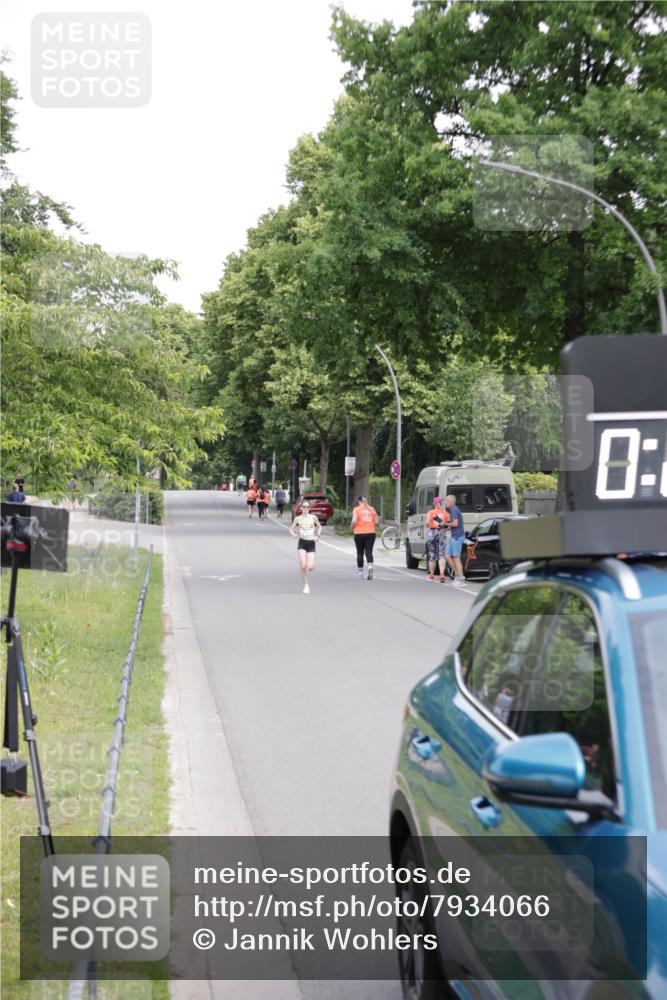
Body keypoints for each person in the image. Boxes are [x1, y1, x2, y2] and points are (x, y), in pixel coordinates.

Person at [289, 500, 321, 594]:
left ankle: (309, 566)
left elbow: (319, 527)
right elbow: (291, 529)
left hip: (311, 543)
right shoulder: (298, 518)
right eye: (304, 507)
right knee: (303, 566)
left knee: (310, 567)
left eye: (307, 507)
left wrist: (317, 536)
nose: (306, 509)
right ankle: (306, 586)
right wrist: (294, 534)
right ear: (301, 508)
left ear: (309, 508)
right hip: (302, 542)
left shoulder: (313, 517)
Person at [351, 495, 378, 580]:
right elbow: (376, 521)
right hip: (371, 533)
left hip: (359, 533)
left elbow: (354, 520)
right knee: (369, 552)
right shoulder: (372, 509)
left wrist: (352, 526)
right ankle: (370, 567)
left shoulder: (357, 509)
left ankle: (360, 573)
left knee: (360, 553)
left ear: (359, 501)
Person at [425, 496, 450, 582]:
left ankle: (431, 575)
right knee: (441, 555)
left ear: (434, 503)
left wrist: (428, 524)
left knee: (432, 555)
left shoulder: (430, 512)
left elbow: (427, 523)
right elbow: (448, 526)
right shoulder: (446, 513)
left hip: (432, 533)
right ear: (441, 503)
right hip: (441, 533)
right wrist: (442, 528)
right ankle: (442, 574)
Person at [445, 493, 466, 585]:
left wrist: (445, 523)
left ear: (452, 501)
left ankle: (461, 580)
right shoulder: (453, 510)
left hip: (457, 537)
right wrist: (444, 530)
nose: (445, 502)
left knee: (456, 557)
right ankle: (457, 575)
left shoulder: (454, 510)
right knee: (447, 556)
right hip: (454, 536)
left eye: (447, 500)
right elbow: (454, 525)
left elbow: (455, 524)